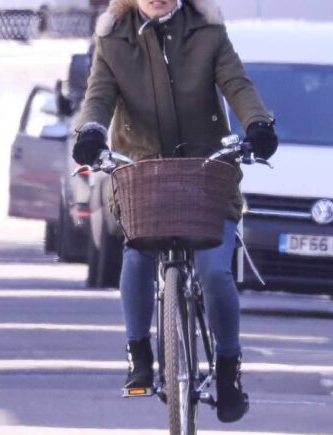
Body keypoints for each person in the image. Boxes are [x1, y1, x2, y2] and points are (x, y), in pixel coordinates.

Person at [73, 0, 278, 424]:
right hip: (144, 175)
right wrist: (91, 133)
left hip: (206, 175)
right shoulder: (112, 41)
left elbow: (237, 84)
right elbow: (98, 97)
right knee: (137, 254)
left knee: (215, 270)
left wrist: (257, 124)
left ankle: (227, 369)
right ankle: (139, 355)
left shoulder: (208, 32)